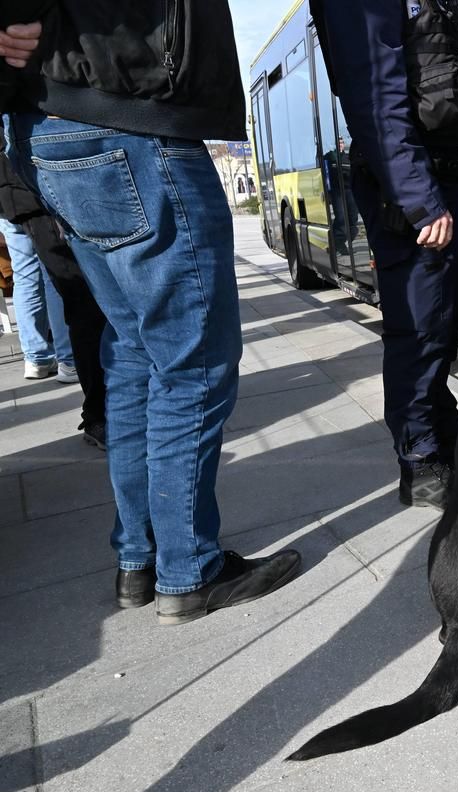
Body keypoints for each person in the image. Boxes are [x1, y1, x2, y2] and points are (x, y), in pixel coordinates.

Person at [2, 1, 300, 625]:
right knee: (193, 364)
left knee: (135, 352)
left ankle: (139, 559)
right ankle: (189, 569)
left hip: (60, 123)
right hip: (129, 118)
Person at [311, 0, 458, 509]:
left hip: (441, 172)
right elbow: (375, 95)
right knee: (420, 331)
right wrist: (421, 200)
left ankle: (443, 446)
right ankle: (421, 463)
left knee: (443, 330)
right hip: (413, 185)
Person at [0, 153, 107, 448]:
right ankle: (98, 410)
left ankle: (43, 357)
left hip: (34, 184)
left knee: (36, 279)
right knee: (81, 298)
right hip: (36, 184)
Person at [0, 215, 75, 382]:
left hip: (7, 207)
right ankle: (69, 359)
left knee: (24, 275)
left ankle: (37, 359)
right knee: (53, 271)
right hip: (35, 206)